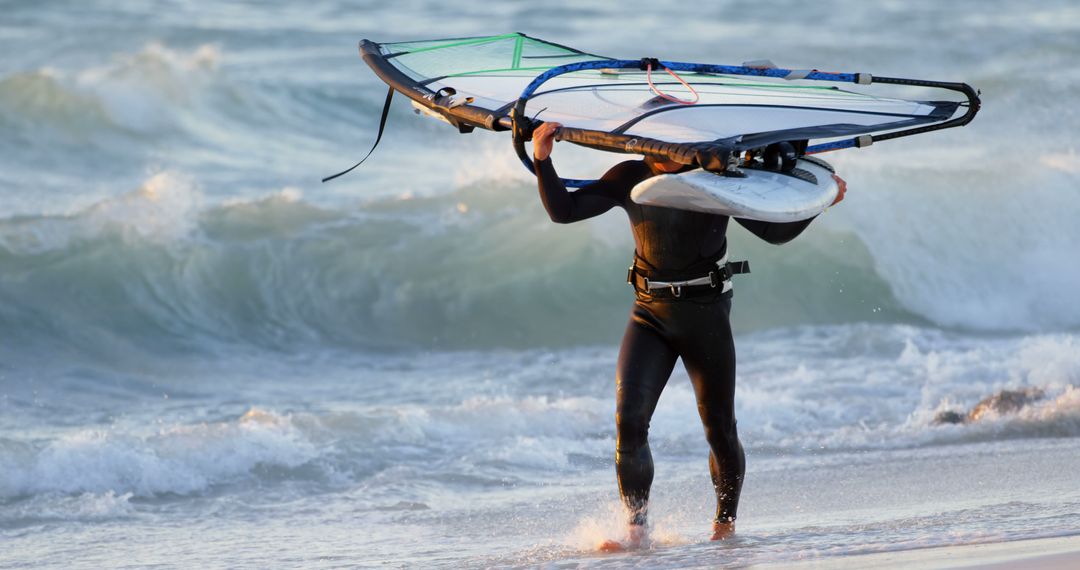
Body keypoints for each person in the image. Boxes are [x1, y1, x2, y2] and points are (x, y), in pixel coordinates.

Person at [531, 121, 846, 549]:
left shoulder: (713, 181)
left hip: (706, 314)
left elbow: (774, 232)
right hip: (649, 314)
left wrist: (821, 200)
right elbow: (564, 211)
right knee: (629, 419)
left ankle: (724, 524)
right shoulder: (631, 176)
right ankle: (637, 530)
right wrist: (543, 158)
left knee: (719, 429)